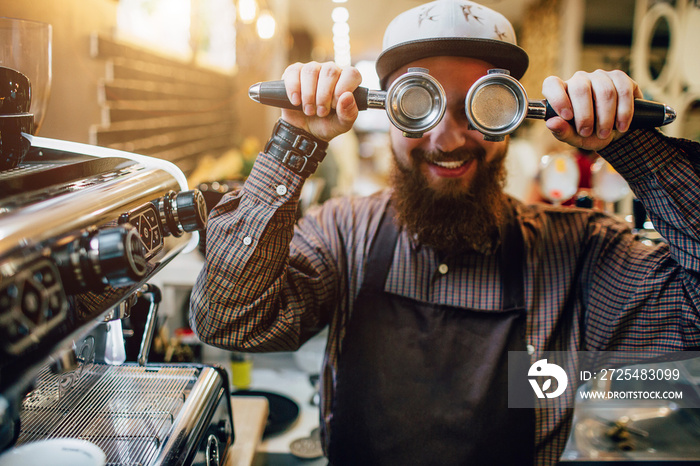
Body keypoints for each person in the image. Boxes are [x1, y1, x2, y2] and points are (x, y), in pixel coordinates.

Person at [190, 0, 700, 464]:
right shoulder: (344, 232)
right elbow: (230, 322)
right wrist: (293, 144)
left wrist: (634, 146)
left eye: (485, 106)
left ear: (515, 115)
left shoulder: (579, 254)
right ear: (386, 110)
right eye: (418, 103)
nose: (446, 137)